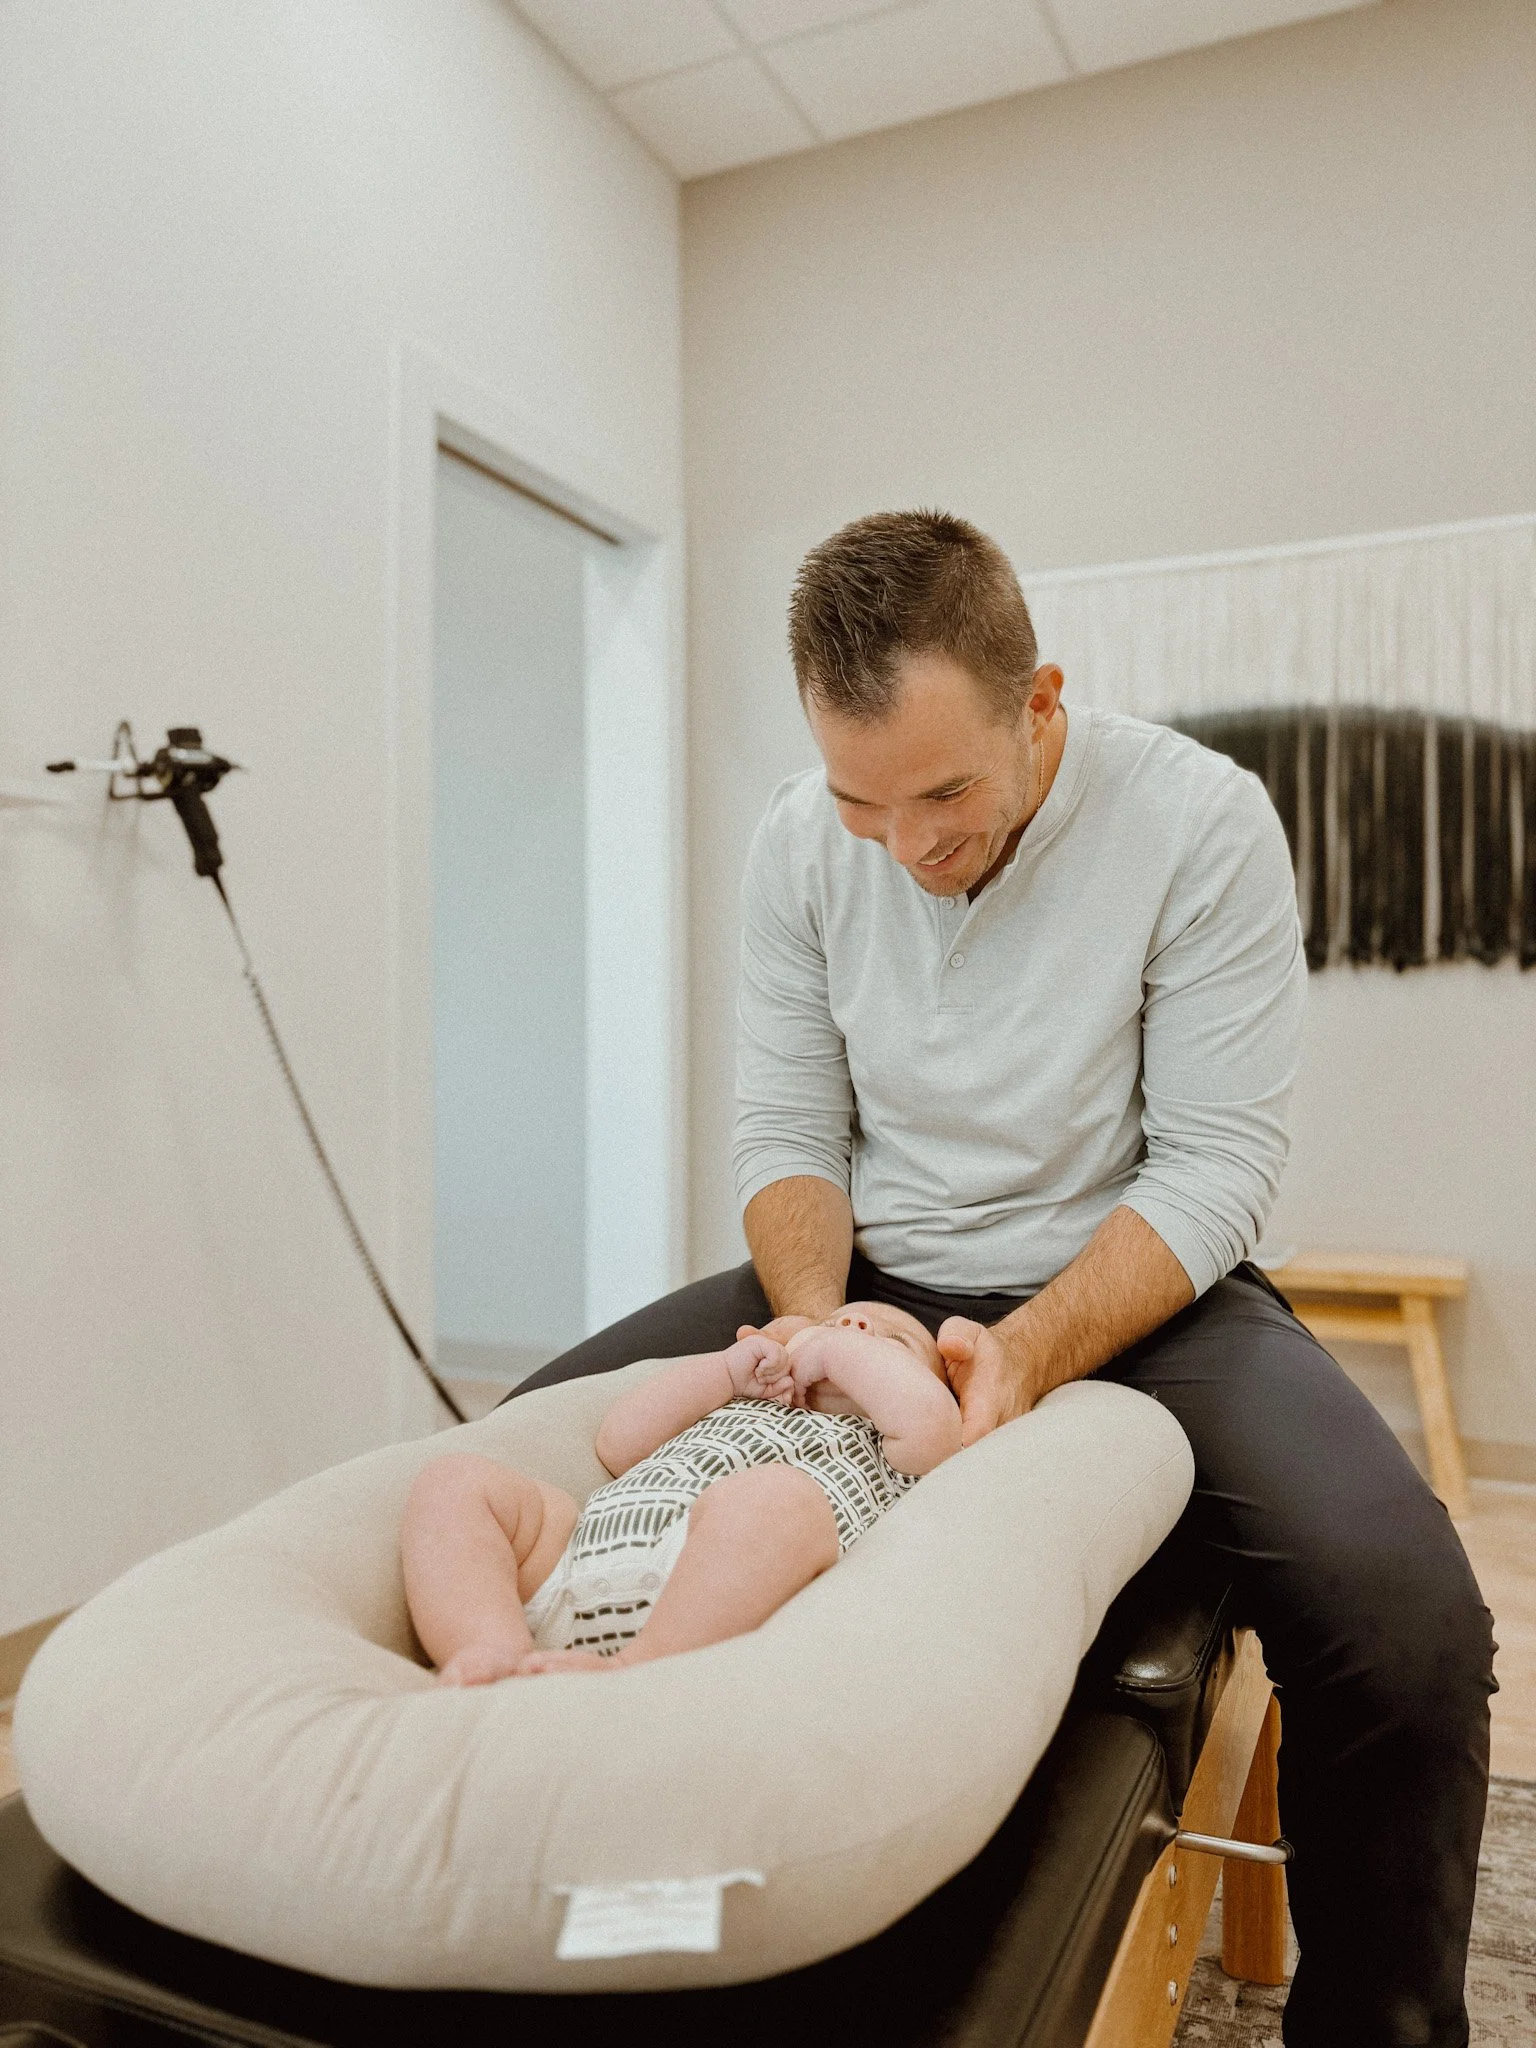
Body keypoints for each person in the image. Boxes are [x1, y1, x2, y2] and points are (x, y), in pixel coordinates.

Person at [511, 510, 1494, 2047]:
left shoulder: (1198, 822)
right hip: (869, 1280)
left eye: (946, 794)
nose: (907, 846)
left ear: (1040, 705)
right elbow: (788, 1133)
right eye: (863, 802)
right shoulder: (796, 843)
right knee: (524, 1437)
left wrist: (1024, 1356)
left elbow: (1215, 1168)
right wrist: (821, 1325)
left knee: (1408, 1623)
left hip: (1141, 1289)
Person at [403, 1303, 960, 1681]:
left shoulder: (895, 1449)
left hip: (706, 1607)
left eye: (896, 1342)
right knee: (455, 1481)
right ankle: (491, 1650)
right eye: (838, 1322)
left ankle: (639, 1670)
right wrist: (724, 1374)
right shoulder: (742, 1396)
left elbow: (932, 1421)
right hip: (572, 1567)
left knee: (777, 1501)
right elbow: (618, 1445)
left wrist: (838, 1350)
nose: (856, 1327)